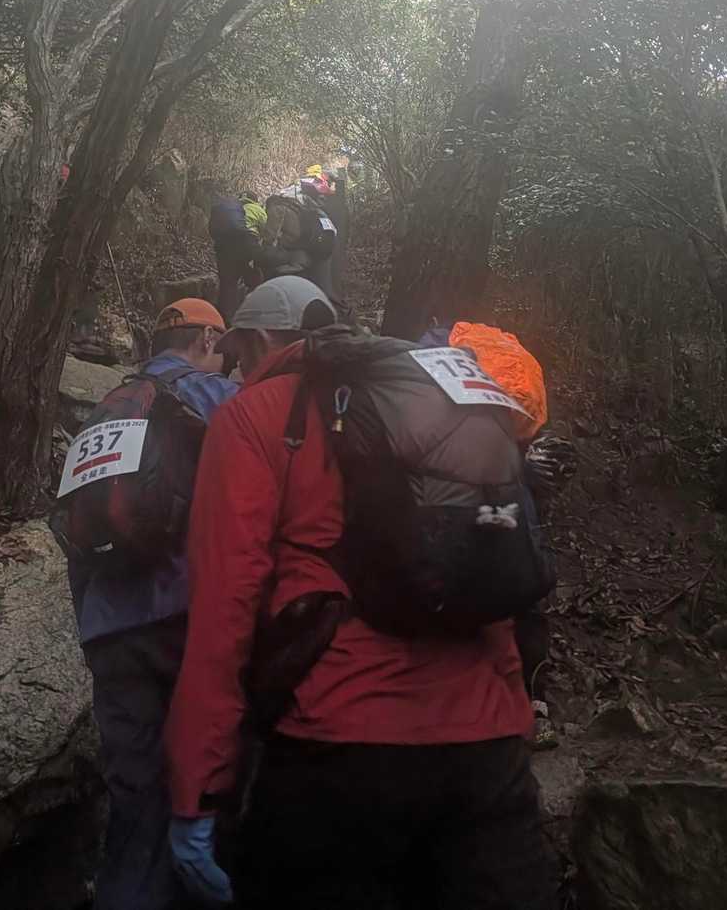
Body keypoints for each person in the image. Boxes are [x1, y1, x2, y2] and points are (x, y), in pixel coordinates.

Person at [165, 277, 553, 910]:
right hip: (485, 752)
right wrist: (512, 704)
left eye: (236, 354)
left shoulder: (254, 416)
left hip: (335, 747)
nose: (234, 370)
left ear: (258, 341)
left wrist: (198, 789)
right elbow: (487, 570)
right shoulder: (435, 400)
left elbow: (223, 612)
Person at [67, 298, 239, 910]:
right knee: (208, 791)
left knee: (134, 803)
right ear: (207, 339)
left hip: (109, 629)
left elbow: (78, 529)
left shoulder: (107, 408)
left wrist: (92, 624)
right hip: (181, 619)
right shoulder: (209, 394)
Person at [419, 319, 564, 751]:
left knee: (474, 573)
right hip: (508, 481)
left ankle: (474, 701)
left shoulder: (441, 354)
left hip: (467, 485)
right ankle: (534, 703)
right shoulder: (512, 360)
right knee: (521, 582)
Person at [208, 192, 261, 321]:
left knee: (227, 284)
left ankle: (224, 319)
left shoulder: (229, 208)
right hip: (244, 245)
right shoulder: (256, 209)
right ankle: (253, 309)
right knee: (252, 275)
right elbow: (263, 229)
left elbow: (212, 230)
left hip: (223, 248)